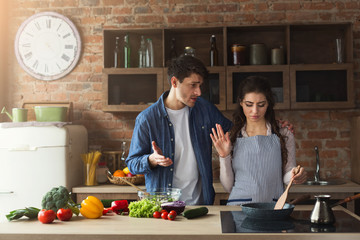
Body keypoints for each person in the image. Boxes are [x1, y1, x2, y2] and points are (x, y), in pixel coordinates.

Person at [126, 55, 233, 205]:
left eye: (200, 86)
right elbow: (132, 163)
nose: (199, 92)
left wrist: (271, 125)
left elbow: (234, 132)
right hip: (163, 207)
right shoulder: (147, 119)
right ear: (174, 82)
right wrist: (151, 160)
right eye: (193, 85)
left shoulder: (205, 109)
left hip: (201, 205)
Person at [210, 75, 307, 205]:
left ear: (268, 104)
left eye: (261, 105)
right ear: (241, 102)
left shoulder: (284, 133)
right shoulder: (232, 137)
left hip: (273, 208)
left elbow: (286, 176)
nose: (254, 111)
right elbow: (228, 187)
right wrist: (224, 156)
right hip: (239, 207)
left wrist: (294, 175)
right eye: (249, 105)